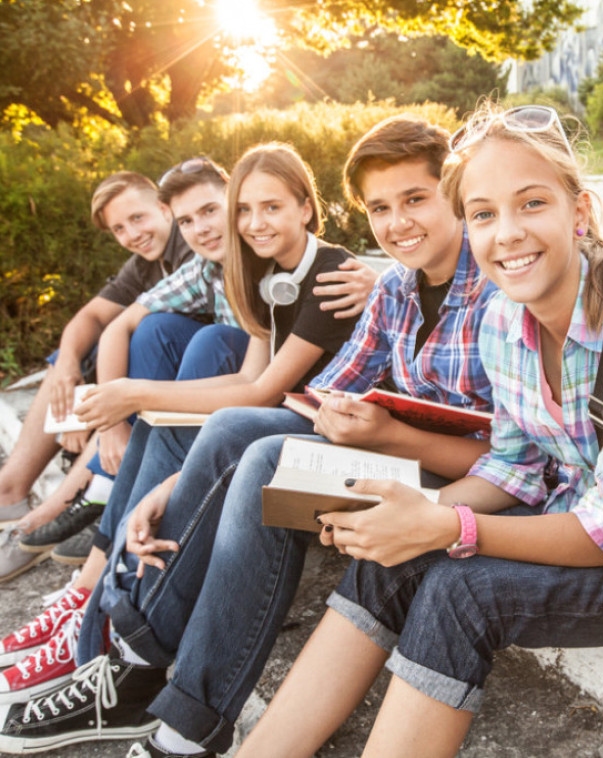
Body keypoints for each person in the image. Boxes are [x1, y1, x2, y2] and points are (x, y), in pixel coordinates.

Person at [229, 103, 603, 758]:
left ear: (581, 212)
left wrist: (446, 524)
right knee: (393, 555)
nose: (506, 233)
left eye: (532, 203)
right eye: (483, 213)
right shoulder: (502, 322)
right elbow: (512, 468)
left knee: (464, 589)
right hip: (585, 519)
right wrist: (404, 515)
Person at [0, 115, 499, 756]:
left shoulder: (489, 288)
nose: (397, 221)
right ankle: (138, 671)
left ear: (453, 192)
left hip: (447, 479)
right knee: (240, 433)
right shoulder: (395, 291)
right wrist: (181, 484)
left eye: (415, 200)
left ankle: (145, 676)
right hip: (381, 447)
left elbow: (515, 458)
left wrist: (389, 432)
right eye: (380, 207)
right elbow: (313, 397)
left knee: (256, 446)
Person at [0, 143, 365, 708]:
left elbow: (260, 391)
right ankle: (97, 610)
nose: (252, 223)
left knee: (204, 399)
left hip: (331, 440)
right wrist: (136, 408)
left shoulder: (332, 271)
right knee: (169, 409)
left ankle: (107, 628)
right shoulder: (261, 274)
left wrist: (133, 395)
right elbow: (249, 378)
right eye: (245, 210)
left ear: (306, 207)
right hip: (283, 424)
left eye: (267, 208)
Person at [0, 172, 194, 580]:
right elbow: (91, 317)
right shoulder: (146, 262)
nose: (132, 234)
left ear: (164, 209)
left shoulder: (193, 245)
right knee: (70, 353)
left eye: (137, 219)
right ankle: (11, 492)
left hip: (191, 378)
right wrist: (68, 366)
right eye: (119, 228)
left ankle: (65, 504)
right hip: (150, 381)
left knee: (147, 332)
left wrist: (103, 422)